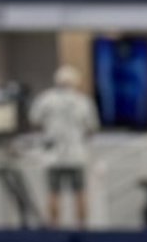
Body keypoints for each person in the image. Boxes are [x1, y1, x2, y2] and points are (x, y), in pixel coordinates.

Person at [28, 59, 98, 230]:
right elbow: (92, 128)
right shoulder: (83, 101)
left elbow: (34, 120)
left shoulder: (46, 99)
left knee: (53, 193)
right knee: (80, 192)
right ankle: (82, 227)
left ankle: (54, 228)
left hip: (53, 156)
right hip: (76, 155)